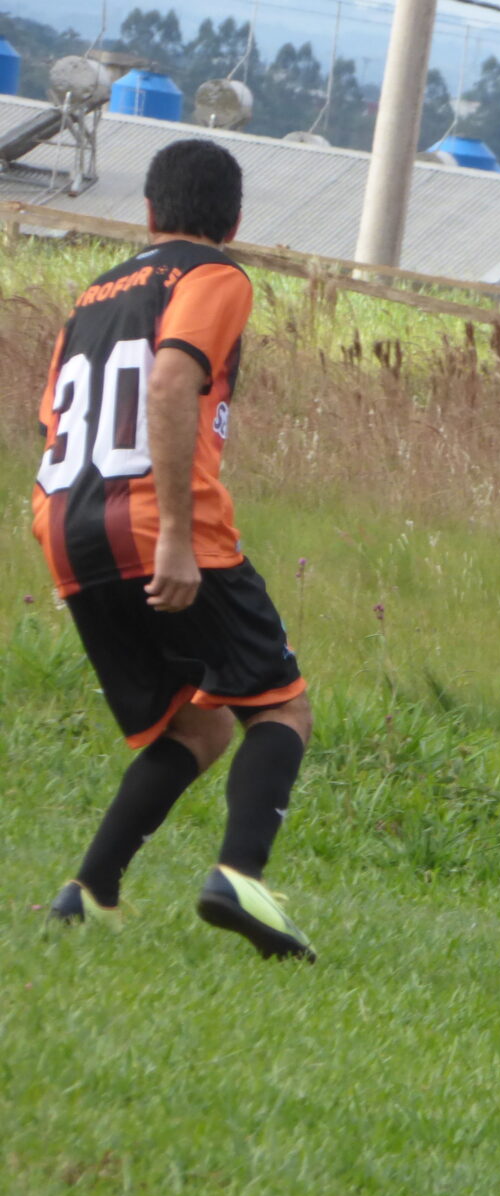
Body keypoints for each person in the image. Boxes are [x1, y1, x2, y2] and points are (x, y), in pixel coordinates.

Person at [32, 138, 315, 960]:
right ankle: (241, 878)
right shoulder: (214, 275)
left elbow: (56, 419)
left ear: (150, 212)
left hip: (68, 525)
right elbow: (168, 380)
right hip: (157, 526)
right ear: (234, 221)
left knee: (197, 724)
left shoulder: (92, 295)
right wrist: (180, 542)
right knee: (280, 707)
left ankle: (90, 891)